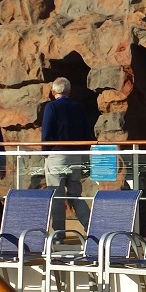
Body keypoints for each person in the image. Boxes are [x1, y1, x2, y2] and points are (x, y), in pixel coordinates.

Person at [41, 77, 93, 232]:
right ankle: (89, 226)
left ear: (52, 92)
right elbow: (87, 132)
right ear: (70, 91)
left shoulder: (51, 107)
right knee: (75, 194)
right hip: (75, 155)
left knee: (56, 196)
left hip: (57, 156)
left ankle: (58, 234)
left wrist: (45, 153)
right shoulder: (79, 107)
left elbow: (46, 132)